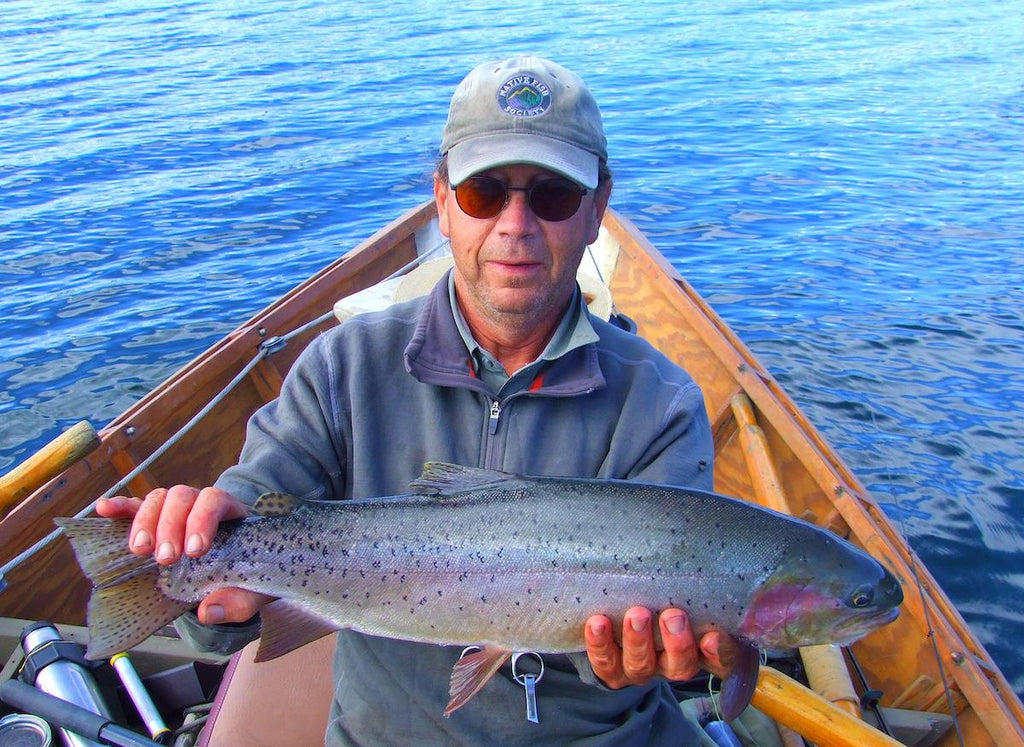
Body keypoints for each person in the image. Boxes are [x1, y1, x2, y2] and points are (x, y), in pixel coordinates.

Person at [98, 55, 729, 744]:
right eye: (485, 193)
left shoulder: (662, 403)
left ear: (597, 209)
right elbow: (233, 569)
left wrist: (641, 663)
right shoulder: (341, 368)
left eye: (551, 195)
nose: (515, 224)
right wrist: (190, 570)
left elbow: (671, 646)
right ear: (442, 201)